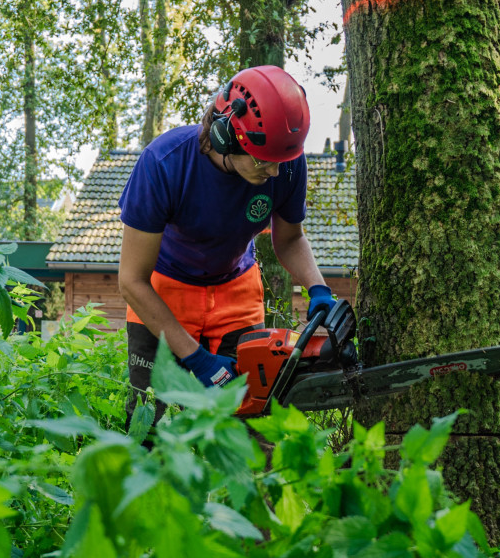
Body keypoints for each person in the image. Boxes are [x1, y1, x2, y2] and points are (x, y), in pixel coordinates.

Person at [117, 65, 336, 429]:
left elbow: (291, 238)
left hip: (236, 291)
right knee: (147, 426)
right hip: (163, 292)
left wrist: (318, 288)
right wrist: (197, 359)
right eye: (264, 161)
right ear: (224, 136)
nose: (275, 174)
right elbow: (131, 281)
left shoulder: (286, 164)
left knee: (256, 426)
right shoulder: (164, 164)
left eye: (282, 162)